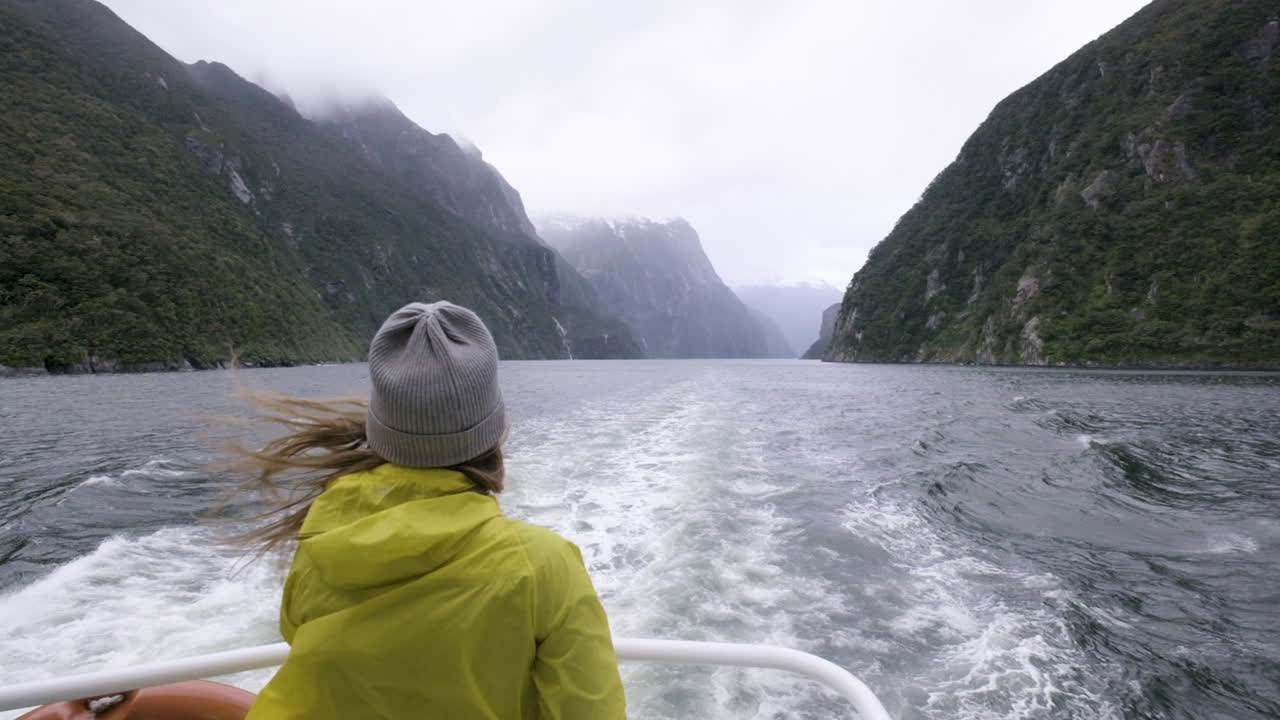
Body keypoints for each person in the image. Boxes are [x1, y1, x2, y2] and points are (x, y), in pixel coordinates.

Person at [237, 301, 627, 720]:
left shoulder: (318, 541)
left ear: (380, 430)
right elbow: (592, 710)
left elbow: (299, 637)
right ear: (494, 431)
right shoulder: (542, 567)